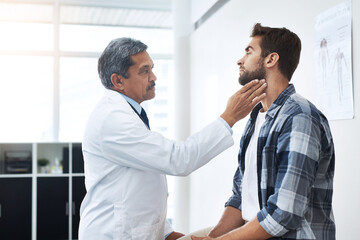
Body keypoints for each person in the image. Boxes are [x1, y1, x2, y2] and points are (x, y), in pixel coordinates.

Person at [78, 37, 267, 240]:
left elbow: (140, 189)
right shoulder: (112, 119)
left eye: (152, 68)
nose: (154, 77)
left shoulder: (127, 114)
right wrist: (230, 117)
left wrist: (167, 234)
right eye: (144, 71)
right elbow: (178, 159)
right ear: (118, 81)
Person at [190, 23, 335, 240]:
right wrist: (212, 238)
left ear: (270, 59)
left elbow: (283, 213)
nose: (240, 60)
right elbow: (240, 197)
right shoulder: (257, 116)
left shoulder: (299, 117)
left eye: (249, 51)